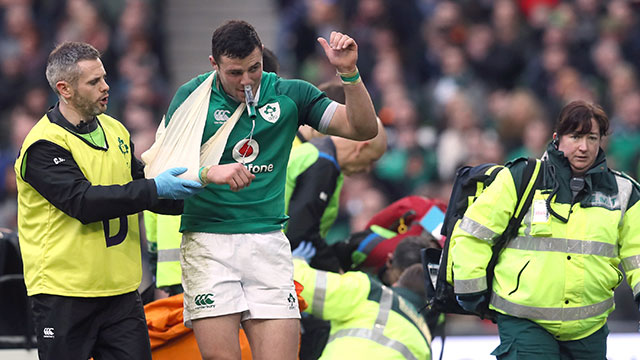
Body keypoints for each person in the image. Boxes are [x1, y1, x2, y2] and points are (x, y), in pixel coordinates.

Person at [161, 20, 377, 360]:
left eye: (254, 68)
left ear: (262, 57)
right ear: (213, 64)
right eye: (234, 72)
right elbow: (163, 170)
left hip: (268, 242)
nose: (246, 80)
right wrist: (208, 173)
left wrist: (349, 73)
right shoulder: (192, 97)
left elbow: (362, 127)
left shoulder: (292, 94)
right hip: (209, 241)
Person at [14, 42, 203, 360]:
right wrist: (156, 188)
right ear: (65, 89)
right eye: (94, 82)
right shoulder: (43, 145)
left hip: (120, 293)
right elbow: (85, 204)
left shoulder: (115, 130)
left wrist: (201, 191)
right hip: (64, 294)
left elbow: (143, 190)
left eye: (104, 77)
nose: (106, 86)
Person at [450, 100, 640, 359]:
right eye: (575, 136)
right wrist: (470, 290)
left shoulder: (625, 192)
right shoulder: (521, 178)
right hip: (525, 321)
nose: (583, 147)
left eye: (592, 138)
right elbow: (473, 234)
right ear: (557, 138)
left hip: (590, 327)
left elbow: (637, 254)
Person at [285, 83, 387, 272]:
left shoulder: (322, 158)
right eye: (370, 161)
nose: (366, 169)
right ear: (361, 146)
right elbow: (301, 231)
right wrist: (334, 270)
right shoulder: (321, 161)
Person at [292, 247, 432, 359]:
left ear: (396, 284)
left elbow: (306, 286)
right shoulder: (425, 343)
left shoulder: (372, 292)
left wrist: (295, 260)